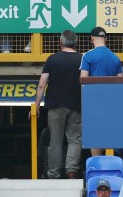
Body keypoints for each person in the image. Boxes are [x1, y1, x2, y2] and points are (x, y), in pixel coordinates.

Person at [33, 30, 82, 179]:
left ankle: (53, 174)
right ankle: (72, 171)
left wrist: (36, 106)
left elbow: (42, 84)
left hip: (55, 106)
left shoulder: (52, 59)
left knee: (55, 141)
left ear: (61, 42)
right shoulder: (82, 59)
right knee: (74, 140)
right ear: (75, 42)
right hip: (77, 105)